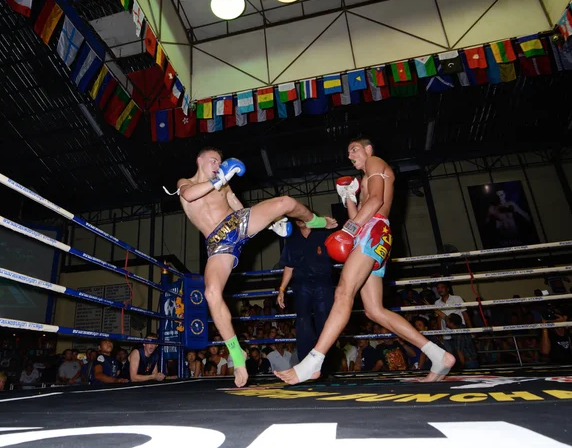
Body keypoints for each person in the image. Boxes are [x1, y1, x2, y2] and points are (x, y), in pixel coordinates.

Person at [275, 137, 456, 385]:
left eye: (355, 148)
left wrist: (349, 229)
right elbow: (362, 211)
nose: (351, 154)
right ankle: (439, 355)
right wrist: (349, 198)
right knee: (373, 309)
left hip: (373, 232)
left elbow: (376, 202)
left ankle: (312, 362)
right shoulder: (368, 177)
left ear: (369, 149)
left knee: (343, 293)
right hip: (371, 235)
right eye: (348, 152)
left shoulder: (375, 161)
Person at [173, 147, 337, 387]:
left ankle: (316, 220)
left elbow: (237, 206)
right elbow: (188, 195)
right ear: (199, 161)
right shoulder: (186, 183)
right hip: (218, 243)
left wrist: (269, 225)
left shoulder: (224, 183)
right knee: (211, 293)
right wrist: (220, 177)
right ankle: (237, 355)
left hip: (238, 223)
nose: (218, 164)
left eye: (220, 161)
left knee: (286, 202)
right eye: (213, 160)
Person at [277, 216, 334, 369]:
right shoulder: (292, 241)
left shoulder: (324, 235)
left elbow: (341, 251)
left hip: (323, 284)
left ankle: (326, 365)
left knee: (325, 322)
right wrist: (282, 289)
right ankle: (305, 364)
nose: (301, 219)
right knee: (303, 322)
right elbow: (288, 267)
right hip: (302, 285)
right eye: (298, 217)